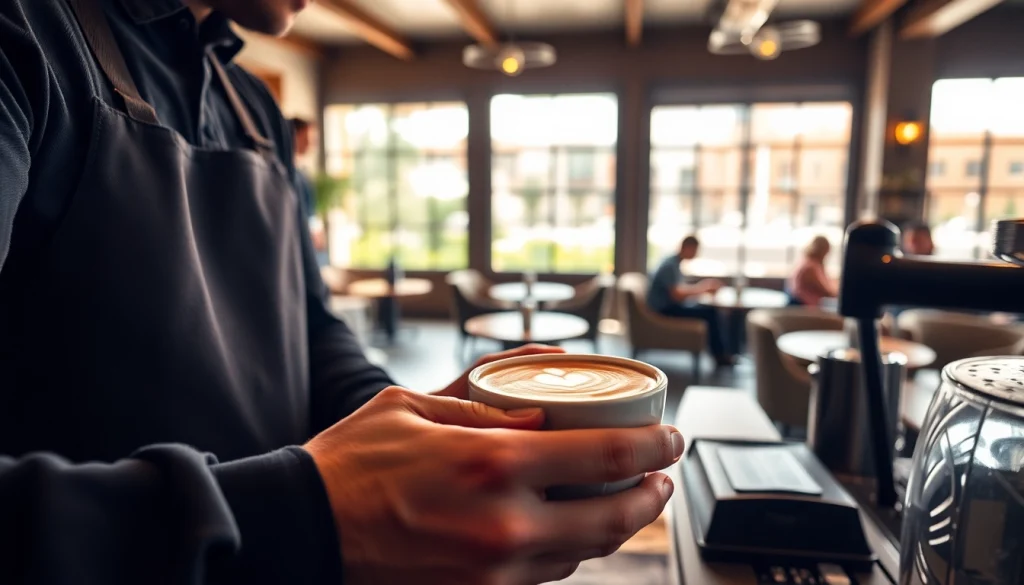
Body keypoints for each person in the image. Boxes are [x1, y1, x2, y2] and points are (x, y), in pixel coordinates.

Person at [0, 1, 681, 584]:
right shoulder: (24, 36)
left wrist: (413, 426)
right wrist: (305, 513)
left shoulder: (255, 110)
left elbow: (311, 328)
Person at [647, 236, 733, 365]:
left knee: (708, 310)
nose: (696, 254)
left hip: (669, 306)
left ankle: (722, 353)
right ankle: (720, 356)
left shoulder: (674, 263)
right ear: (687, 248)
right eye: (695, 250)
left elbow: (679, 290)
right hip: (665, 309)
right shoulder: (670, 266)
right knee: (710, 312)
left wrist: (701, 289)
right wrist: (703, 288)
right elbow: (677, 295)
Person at [290, 117, 328, 264]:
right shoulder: (289, 175)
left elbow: (311, 209)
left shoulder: (302, 175)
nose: (311, 144)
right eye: (307, 137)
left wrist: (317, 230)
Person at [787, 235, 838, 307]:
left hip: (807, 306)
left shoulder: (808, 263)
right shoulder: (810, 268)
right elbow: (826, 291)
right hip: (805, 308)